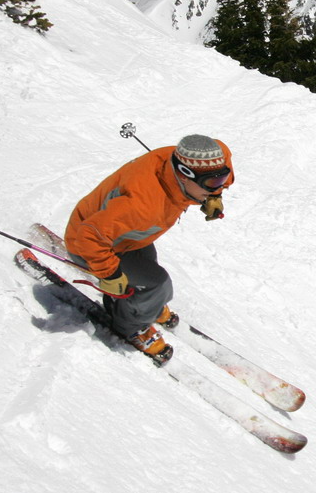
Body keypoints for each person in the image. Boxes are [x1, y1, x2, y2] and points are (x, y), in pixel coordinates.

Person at [64, 134, 234, 364]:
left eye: (221, 178)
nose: (220, 184)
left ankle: (144, 305)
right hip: (92, 242)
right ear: (185, 176)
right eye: (212, 183)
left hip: (129, 236)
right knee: (157, 283)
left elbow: (221, 173)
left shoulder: (214, 158)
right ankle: (132, 326)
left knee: (148, 270)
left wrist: (212, 195)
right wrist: (110, 274)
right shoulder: (142, 203)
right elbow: (89, 236)